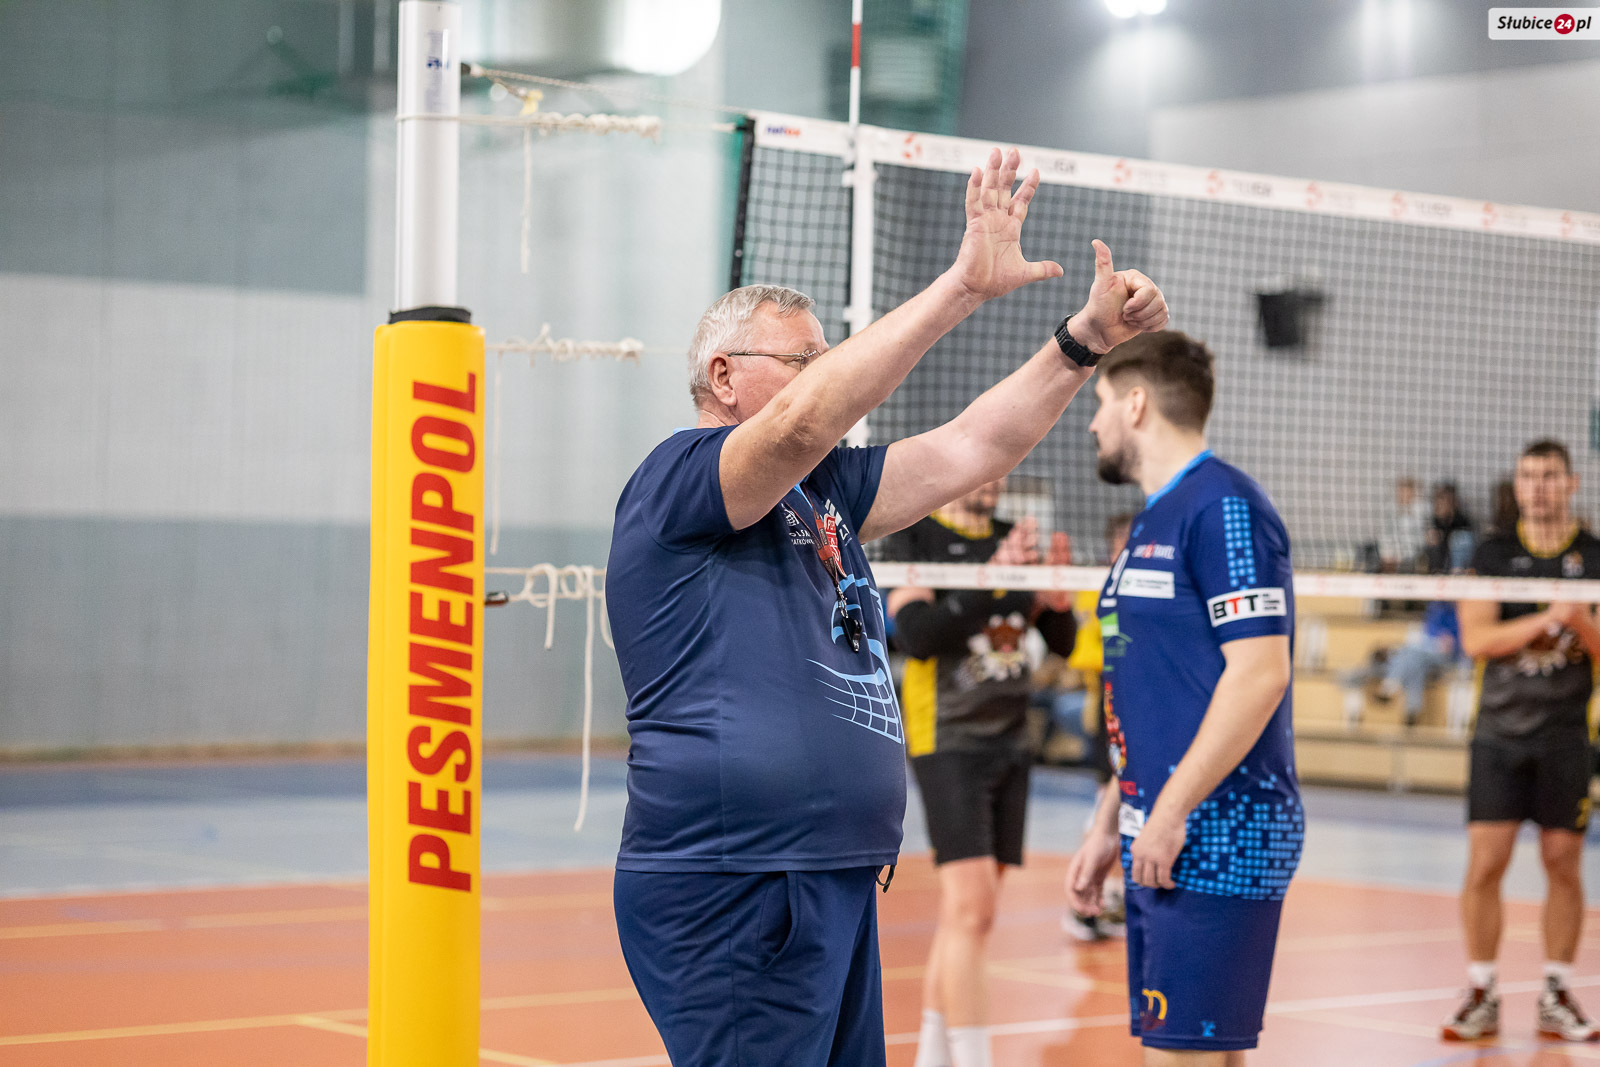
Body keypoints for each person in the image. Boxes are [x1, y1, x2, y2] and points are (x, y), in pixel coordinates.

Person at [605, 147, 1169, 1067]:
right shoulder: (680, 475)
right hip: (738, 874)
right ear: (723, 375)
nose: (828, 376)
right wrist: (962, 287)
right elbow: (801, 420)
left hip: (826, 870)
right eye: (805, 359)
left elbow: (974, 448)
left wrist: (1082, 341)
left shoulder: (822, 492)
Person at [1064, 331, 1300, 1065]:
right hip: (1163, 826)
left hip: (1219, 827)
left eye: (1102, 402)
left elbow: (1260, 673)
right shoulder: (1153, 518)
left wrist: (1169, 812)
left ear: (1136, 403)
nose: (1093, 423)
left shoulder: (1225, 507)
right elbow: (1156, 693)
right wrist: (1111, 819)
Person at [882, 481, 1078, 1067]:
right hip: (947, 737)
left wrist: (1056, 605)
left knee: (967, 917)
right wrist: (993, 577)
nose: (992, 479)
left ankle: (932, 1056)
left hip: (1011, 740)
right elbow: (917, 636)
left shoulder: (1012, 539)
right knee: (973, 908)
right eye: (984, 467)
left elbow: (1060, 644)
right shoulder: (916, 536)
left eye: (1002, 471)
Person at [1441, 439, 1600, 1043]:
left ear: (1571, 483)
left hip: (1567, 737)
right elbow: (1477, 641)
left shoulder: (1595, 555)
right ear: (1517, 485)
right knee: (1487, 863)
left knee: (1563, 864)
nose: (1538, 487)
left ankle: (1556, 992)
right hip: (1498, 736)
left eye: (1550, 476)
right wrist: (1547, 619)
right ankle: (1481, 990)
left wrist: (1580, 620)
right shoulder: (1492, 553)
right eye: (1528, 476)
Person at [1059, 511, 1134, 942]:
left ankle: (1111, 897)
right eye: (1121, 540)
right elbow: (1085, 655)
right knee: (1108, 802)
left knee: (1127, 807)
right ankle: (1085, 900)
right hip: (1106, 717)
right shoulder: (1096, 590)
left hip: (1141, 714)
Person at [1379, 476, 1429, 572]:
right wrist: (1387, 553)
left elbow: (1419, 538)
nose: (1404, 495)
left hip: (1411, 552)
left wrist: (1400, 555)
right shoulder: (1390, 508)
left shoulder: (1421, 510)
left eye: (1407, 492)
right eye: (1401, 491)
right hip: (1391, 551)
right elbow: (1386, 534)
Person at [1426, 481, 1475, 575]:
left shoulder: (1462, 522)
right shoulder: (1435, 522)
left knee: (1459, 539)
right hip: (1442, 567)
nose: (1437, 506)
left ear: (1451, 503)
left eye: (1441, 501)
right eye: (1436, 501)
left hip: (1458, 568)